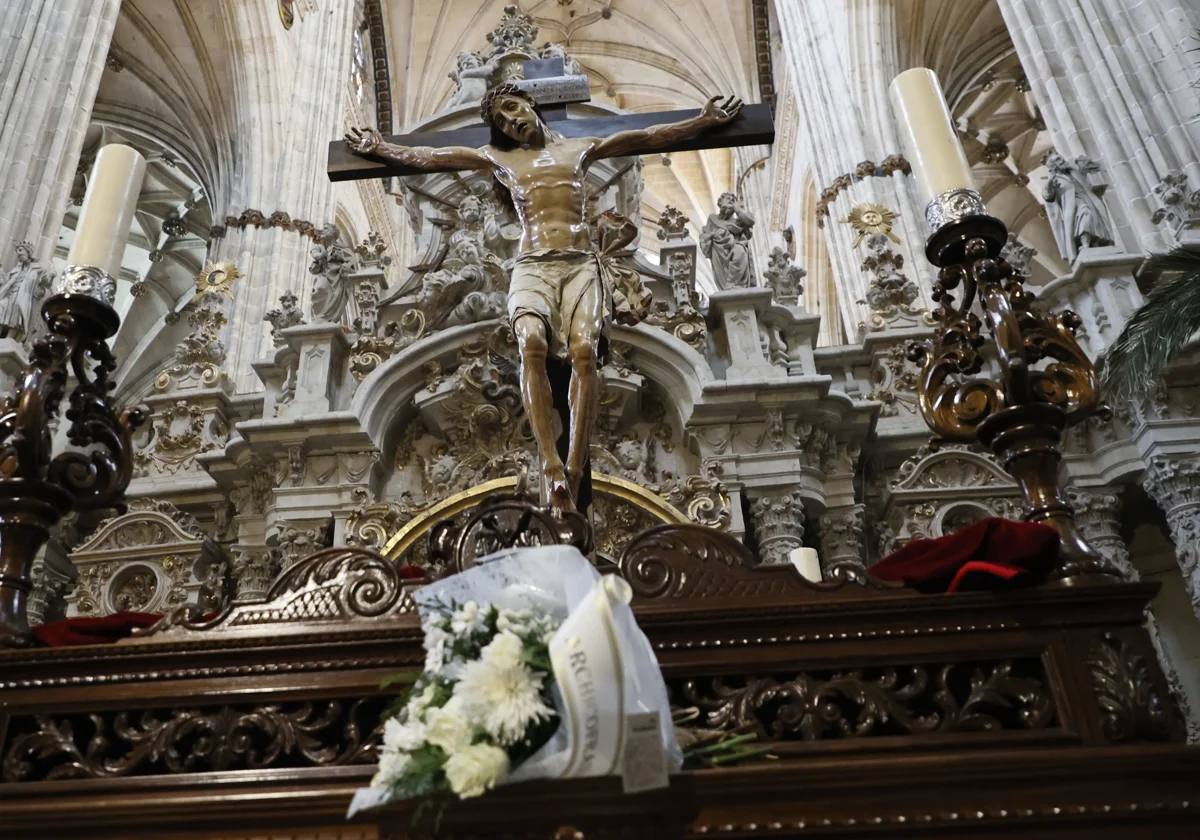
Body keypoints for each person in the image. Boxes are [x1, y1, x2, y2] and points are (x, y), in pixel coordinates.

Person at [345, 85, 741, 513]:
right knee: (531, 344)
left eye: (511, 108)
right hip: (532, 264)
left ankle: (574, 467)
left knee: (585, 353)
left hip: (579, 263)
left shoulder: (580, 148)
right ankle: (551, 464)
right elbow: (433, 158)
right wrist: (381, 148)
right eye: (500, 120)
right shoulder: (500, 160)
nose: (510, 121)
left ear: (530, 103)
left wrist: (703, 121)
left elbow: (646, 135)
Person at [700, 192, 755, 288]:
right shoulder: (712, 219)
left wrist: (738, 209)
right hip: (719, 253)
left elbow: (750, 221)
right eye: (728, 198)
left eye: (733, 200)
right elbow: (705, 240)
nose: (731, 200)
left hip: (736, 247)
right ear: (720, 202)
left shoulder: (737, 221)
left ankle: (734, 284)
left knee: (740, 252)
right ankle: (729, 287)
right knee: (723, 279)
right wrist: (714, 236)